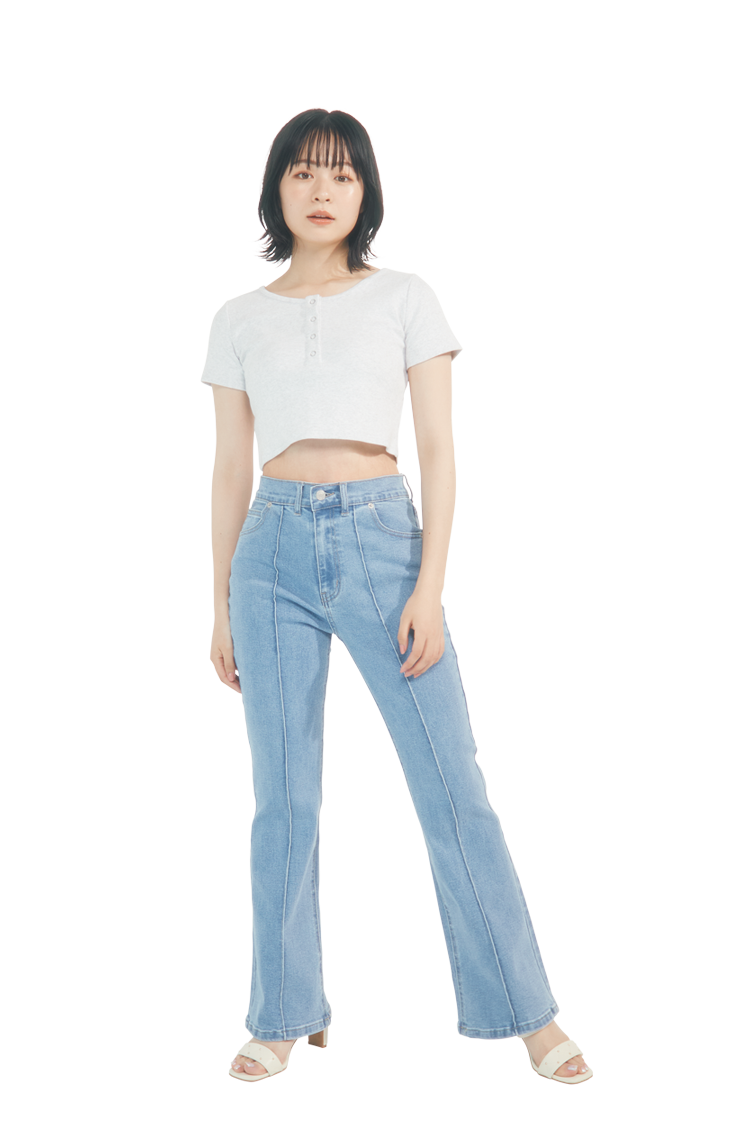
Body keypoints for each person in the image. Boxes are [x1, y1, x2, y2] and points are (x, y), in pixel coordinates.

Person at [201, 107, 592, 1085]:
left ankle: (528, 1012)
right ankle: (284, 1011)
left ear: (366, 191)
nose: (322, 189)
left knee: (452, 784)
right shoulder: (239, 317)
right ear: (276, 187)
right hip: (270, 553)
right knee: (282, 796)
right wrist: (219, 604)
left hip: (383, 541)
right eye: (303, 171)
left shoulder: (405, 297)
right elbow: (230, 469)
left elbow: (440, 450)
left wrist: (430, 583)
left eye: (342, 174)